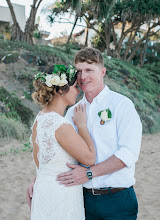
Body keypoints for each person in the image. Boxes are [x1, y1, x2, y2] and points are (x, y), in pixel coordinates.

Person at [27, 47, 142, 220]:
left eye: (89, 70)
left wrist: (89, 173)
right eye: (79, 71)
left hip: (116, 199)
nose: (83, 77)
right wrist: (39, 178)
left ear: (102, 71)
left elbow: (128, 154)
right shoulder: (71, 112)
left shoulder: (122, 105)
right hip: (82, 199)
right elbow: (60, 150)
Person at [29, 64, 96, 220]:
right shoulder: (60, 125)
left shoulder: (39, 119)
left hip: (43, 193)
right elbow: (90, 158)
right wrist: (82, 126)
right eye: (75, 86)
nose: (78, 91)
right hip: (61, 196)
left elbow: (41, 165)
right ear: (60, 90)